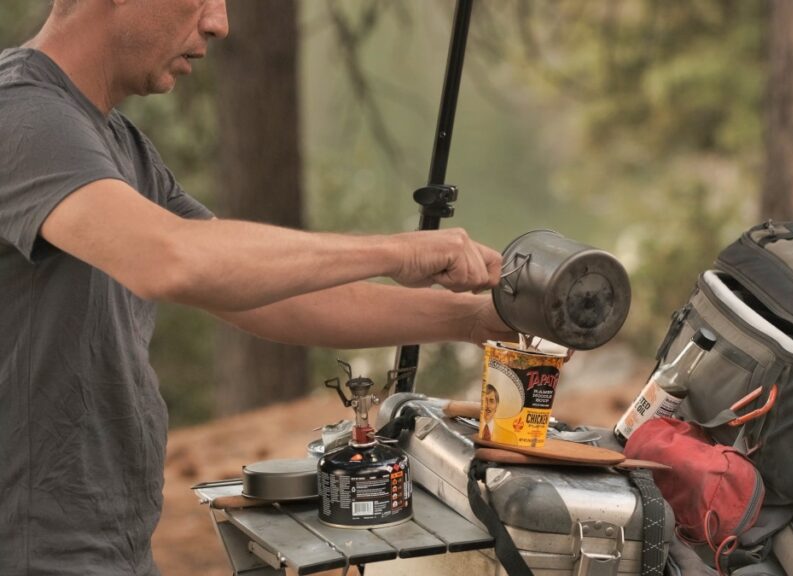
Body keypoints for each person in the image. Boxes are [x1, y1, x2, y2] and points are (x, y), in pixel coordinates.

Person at [0, 1, 514, 574]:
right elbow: (170, 258)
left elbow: (272, 294)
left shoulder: (117, 146)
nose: (219, 22)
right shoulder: (22, 116)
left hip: (111, 550)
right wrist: (395, 252)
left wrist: (469, 319)